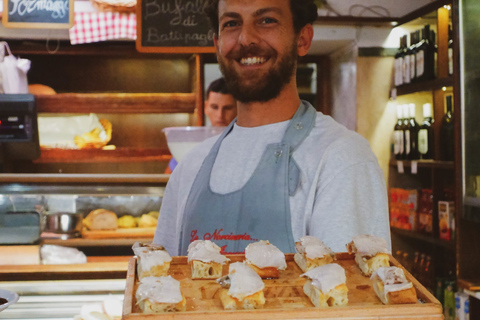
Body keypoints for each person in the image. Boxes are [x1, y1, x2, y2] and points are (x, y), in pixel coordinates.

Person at [154, 0, 391, 255]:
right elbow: (160, 280)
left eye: (266, 20)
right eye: (232, 23)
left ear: (302, 39)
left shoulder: (341, 157)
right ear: (217, 44)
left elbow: (354, 291)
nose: (246, 39)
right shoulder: (191, 166)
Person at [164, 77, 237, 173]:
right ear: (206, 107)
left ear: (238, 109)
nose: (220, 115)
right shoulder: (193, 144)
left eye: (227, 108)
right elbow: (167, 181)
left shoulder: (247, 143)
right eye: (214, 107)